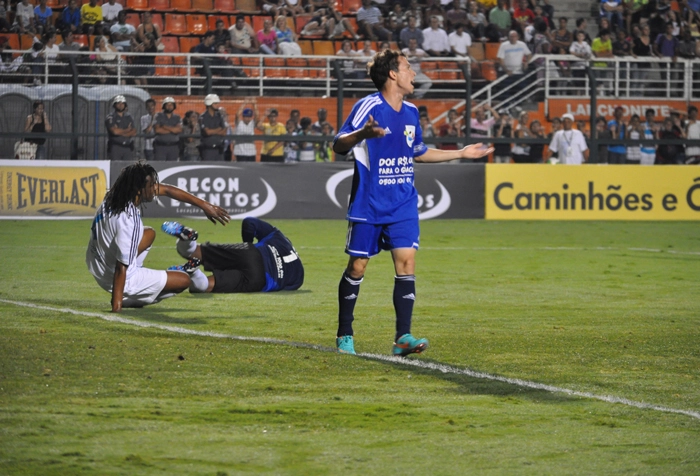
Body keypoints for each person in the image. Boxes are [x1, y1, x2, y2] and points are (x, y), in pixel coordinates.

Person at [331, 48, 493, 356]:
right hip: (370, 202)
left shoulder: (410, 112)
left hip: (403, 202)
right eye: (408, 68)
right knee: (358, 266)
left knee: (407, 262)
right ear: (393, 74)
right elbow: (339, 144)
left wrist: (460, 153)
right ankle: (344, 333)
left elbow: (417, 151)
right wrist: (362, 133)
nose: (413, 73)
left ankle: (402, 337)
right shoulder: (368, 106)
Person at [86, 162, 230, 313]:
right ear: (139, 189)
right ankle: (128, 298)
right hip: (115, 276)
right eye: (152, 185)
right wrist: (116, 308)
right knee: (183, 280)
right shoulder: (129, 220)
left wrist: (205, 205)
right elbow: (121, 269)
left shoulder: (113, 197)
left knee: (149, 233)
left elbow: (167, 190)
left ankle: (134, 281)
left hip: (97, 262)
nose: (155, 188)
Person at [162, 217, 303, 294]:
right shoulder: (299, 277)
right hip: (260, 279)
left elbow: (249, 223)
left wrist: (246, 247)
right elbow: (286, 287)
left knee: (193, 252)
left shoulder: (278, 236)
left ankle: (187, 239)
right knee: (204, 286)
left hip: (251, 253)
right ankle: (192, 273)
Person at [198, 94, 227, 161]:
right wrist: (218, 129)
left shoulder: (219, 116)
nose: (218, 105)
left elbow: (224, 132)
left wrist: (212, 131)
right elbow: (207, 132)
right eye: (215, 103)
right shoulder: (203, 117)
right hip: (207, 150)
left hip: (219, 149)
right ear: (209, 103)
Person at [105, 95, 135, 161]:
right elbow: (114, 131)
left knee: (128, 169)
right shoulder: (110, 117)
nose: (120, 105)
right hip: (115, 147)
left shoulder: (129, 117)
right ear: (114, 105)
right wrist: (127, 130)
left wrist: (120, 131)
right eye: (118, 103)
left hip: (128, 147)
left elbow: (133, 132)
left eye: (122, 103)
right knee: (115, 168)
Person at [153, 97, 182, 162]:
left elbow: (179, 130)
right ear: (164, 106)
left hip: (174, 146)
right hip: (160, 147)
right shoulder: (158, 116)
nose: (169, 106)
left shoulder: (177, 117)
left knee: (172, 167)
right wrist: (173, 129)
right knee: (159, 167)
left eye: (171, 105)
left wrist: (164, 127)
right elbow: (157, 130)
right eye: (167, 105)